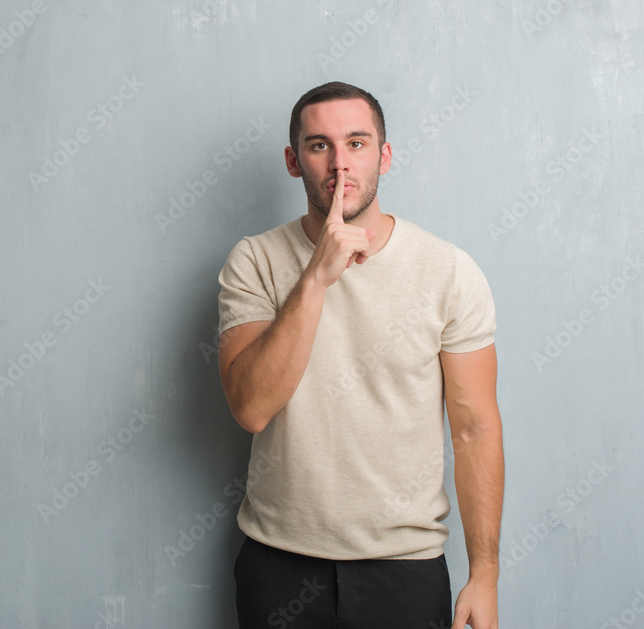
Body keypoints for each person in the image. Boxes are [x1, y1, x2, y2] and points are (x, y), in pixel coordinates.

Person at [216, 81, 503, 629]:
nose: (340, 164)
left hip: (405, 569)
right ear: (293, 161)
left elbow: (474, 430)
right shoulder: (254, 261)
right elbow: (251, 408)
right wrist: (316, 279)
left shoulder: (448, 270)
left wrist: (484, 574)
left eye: (356, 143)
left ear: (384, 156)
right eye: (319, 145)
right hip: (278, 564)